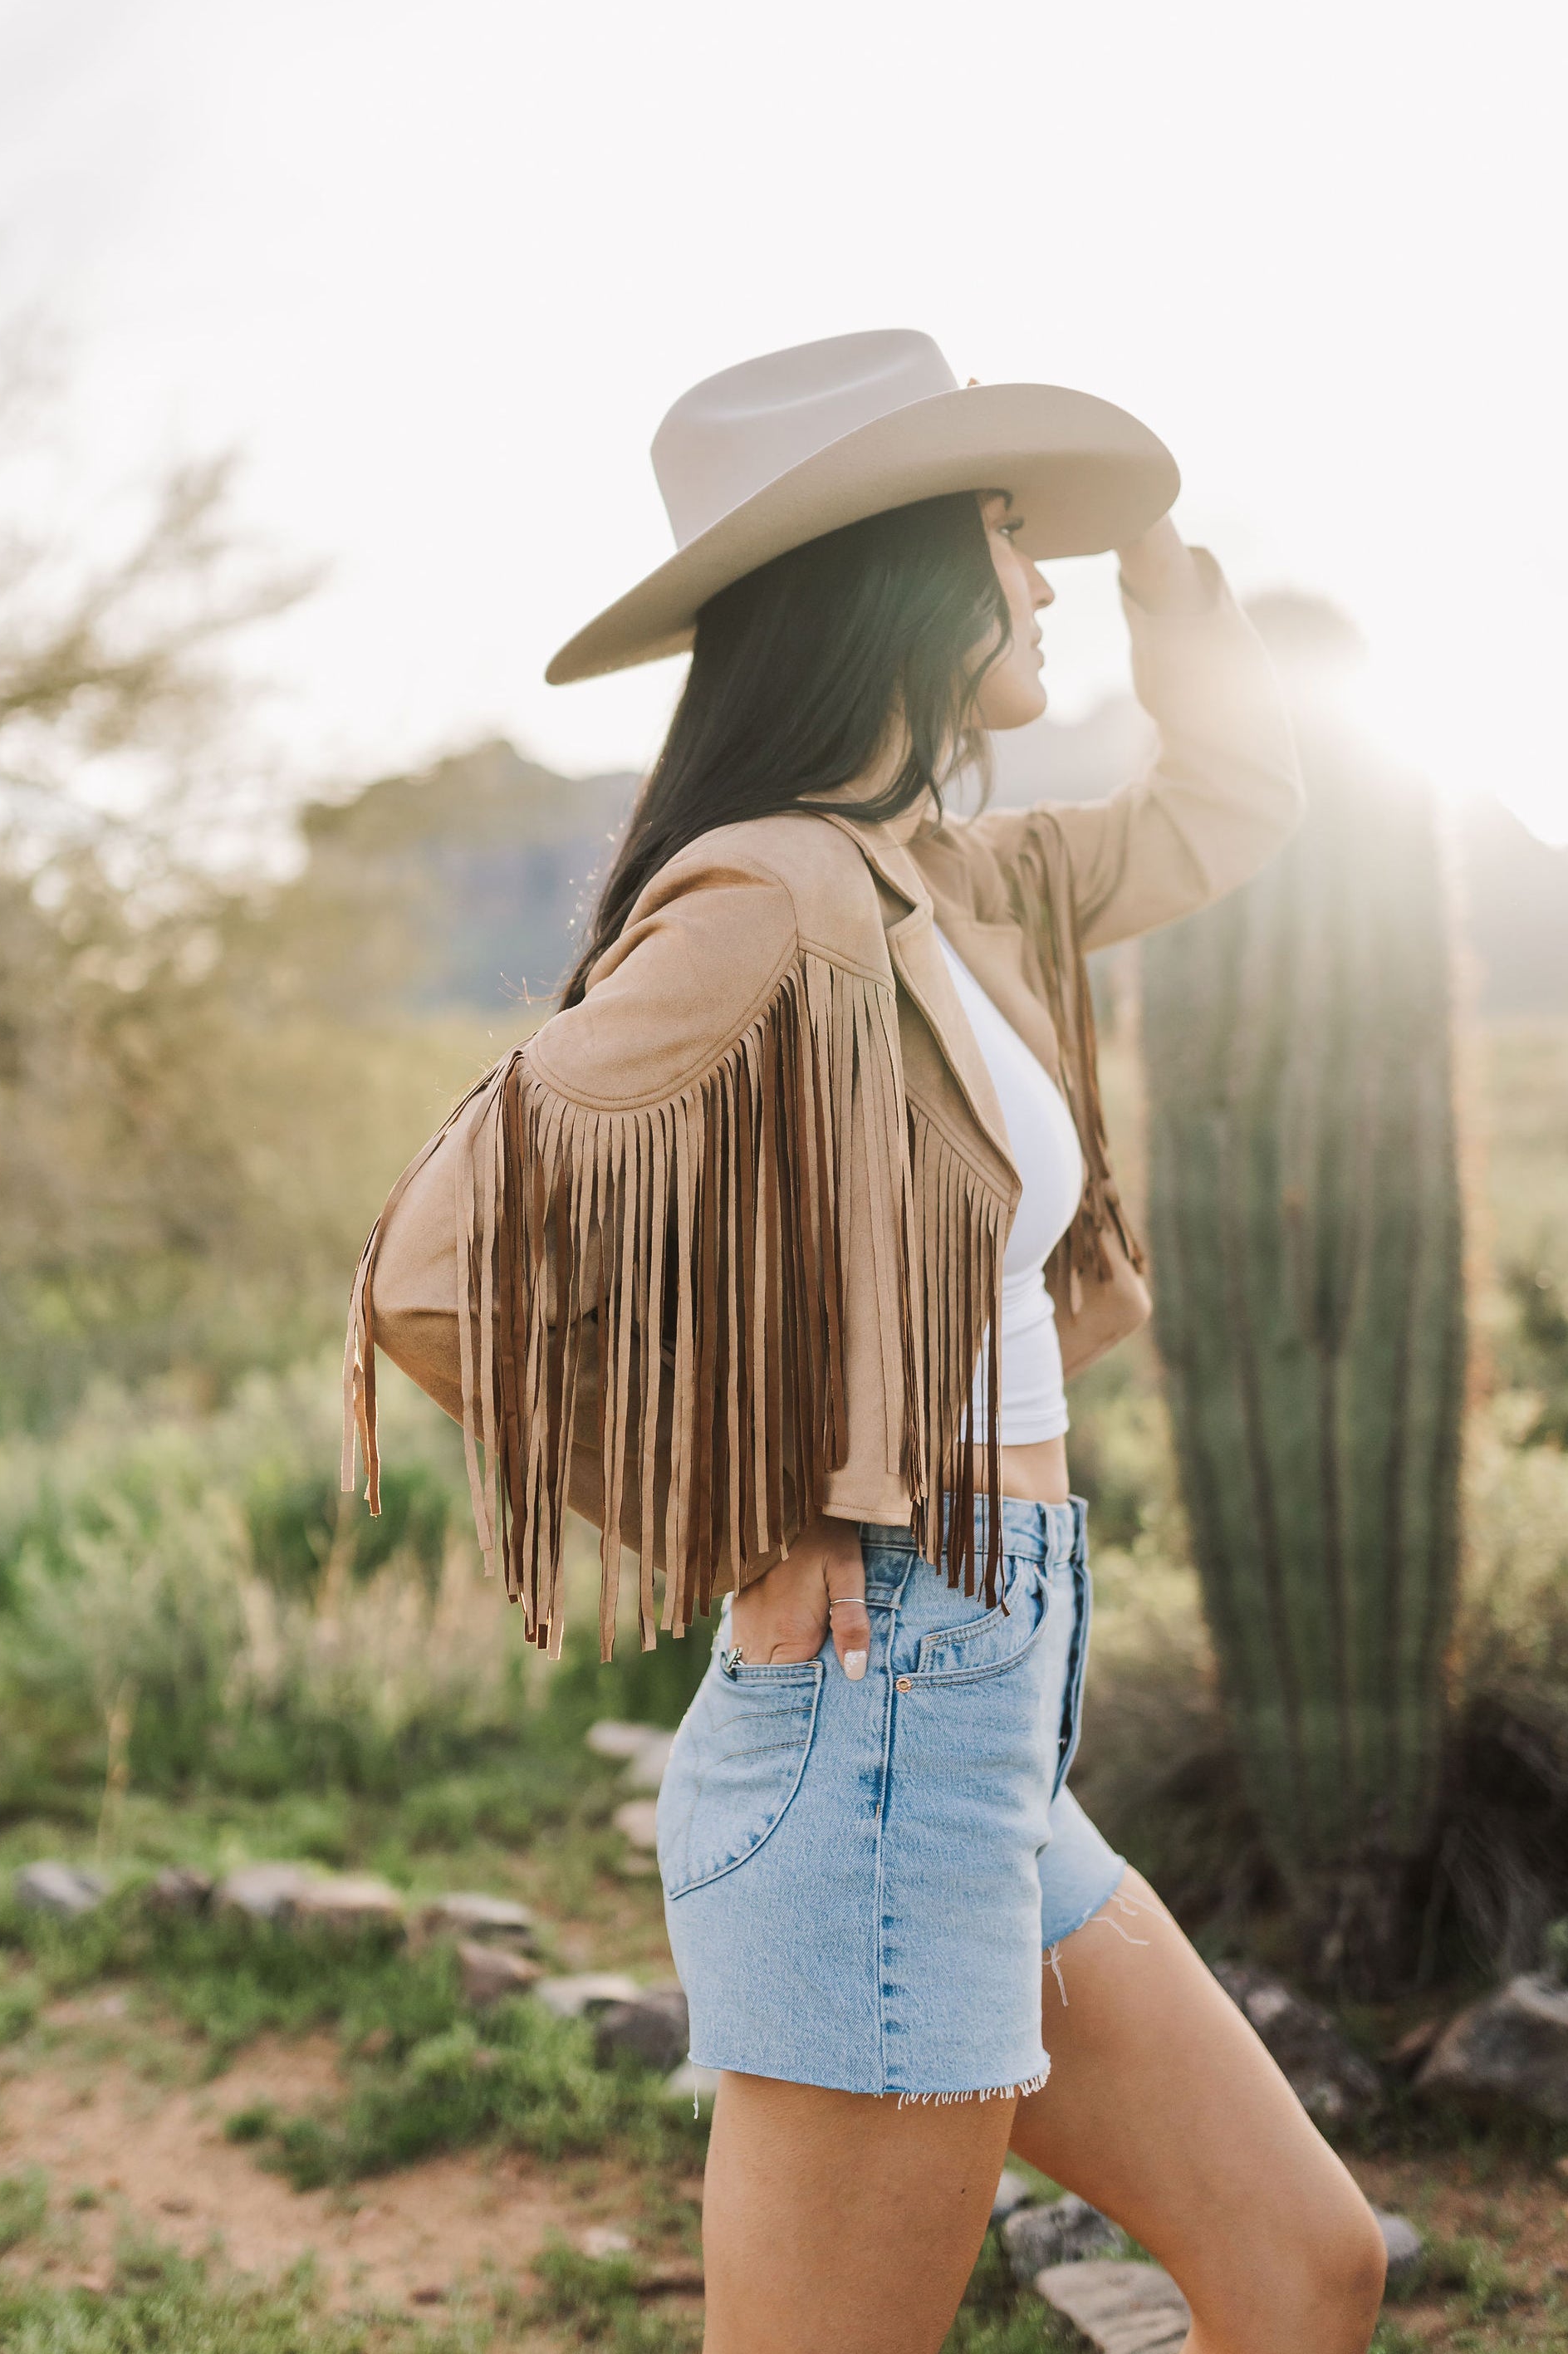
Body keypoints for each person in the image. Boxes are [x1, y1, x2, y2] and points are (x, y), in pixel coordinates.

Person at [345, 329, 1390, 2354]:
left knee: (1305, 2267)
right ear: (896, 573)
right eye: (1009, 540)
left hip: (982, 1712)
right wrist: (728, 1519)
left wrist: (1169, 564)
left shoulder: (954, 882)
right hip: (883, 1704)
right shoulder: (771, 895)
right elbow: (430, 1264)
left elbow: (1234, 801)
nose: (1043, 581)